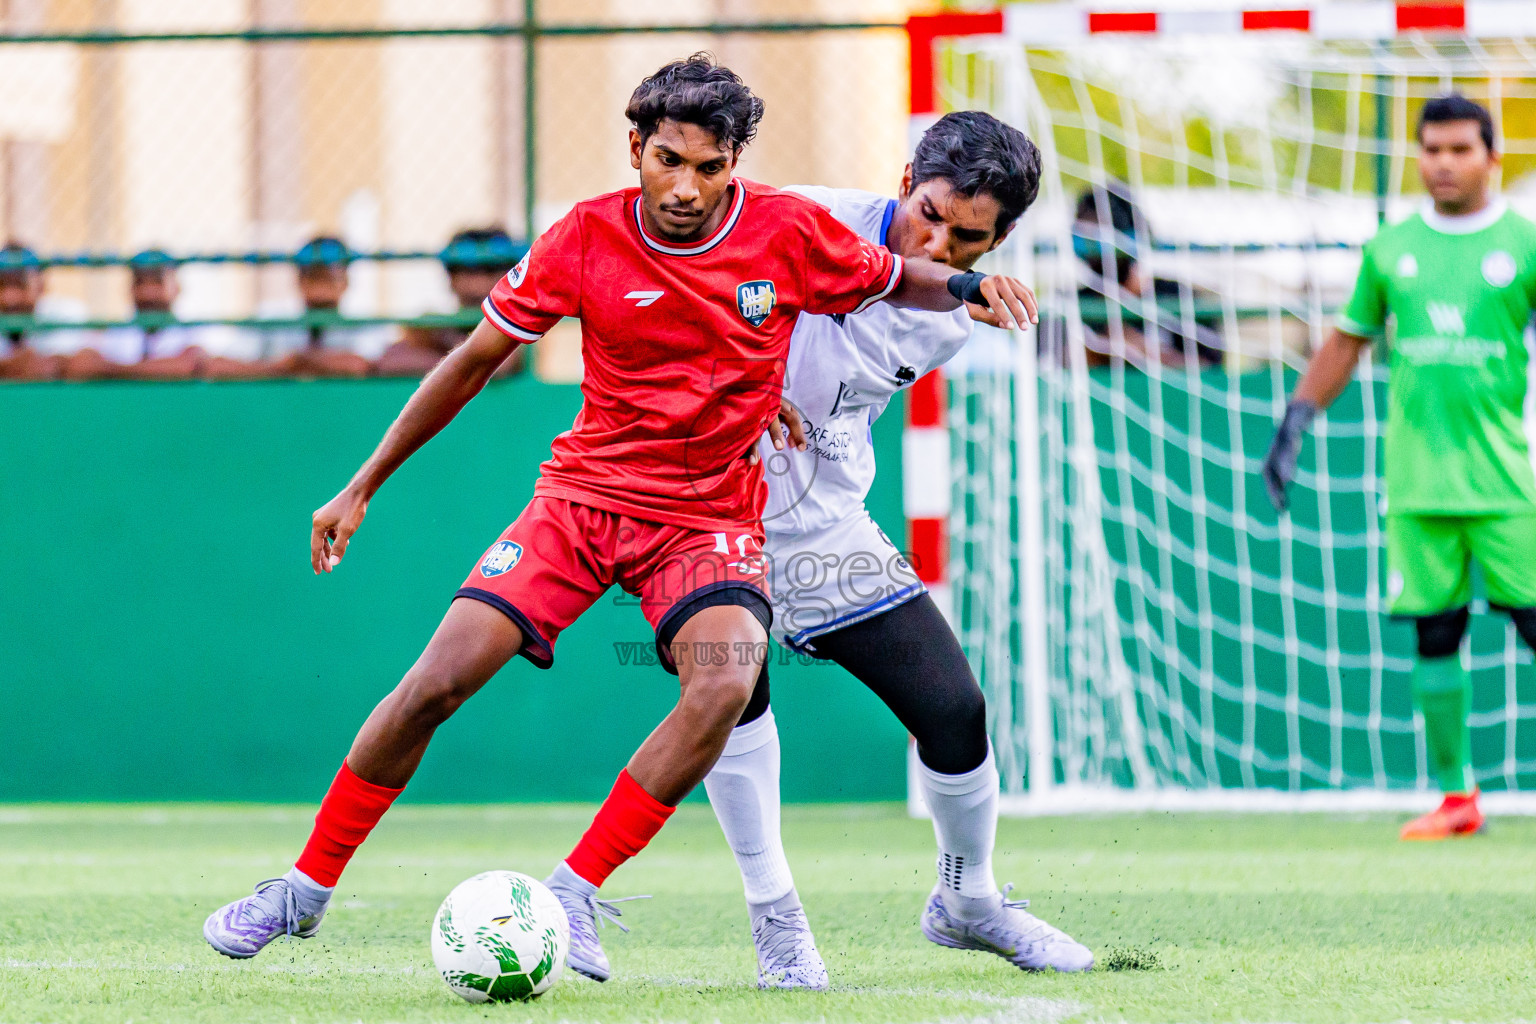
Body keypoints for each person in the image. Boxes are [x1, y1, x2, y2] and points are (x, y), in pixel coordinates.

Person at [200, 54, 1038, 984]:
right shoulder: (585, 236)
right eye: (668, 160)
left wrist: (965, 290)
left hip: (711, 518)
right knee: (436, 682)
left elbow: (894, 279)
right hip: (584, 501)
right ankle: (302, 891)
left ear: (736, 166)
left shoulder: (788, 232)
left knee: (726, 684)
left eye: (710, 168)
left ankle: (574, 892)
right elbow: (472, 362)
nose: (686, 187)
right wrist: (361, 484)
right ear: (635, 147)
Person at [701, 111, 1093, 990]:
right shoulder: (793, 216)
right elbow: (680, 294)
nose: (940, 242)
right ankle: (778, 923)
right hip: (705, 512)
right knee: (732, 699)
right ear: (906, 172)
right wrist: (737, 385)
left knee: (954, 709)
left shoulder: (953, 318)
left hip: (824, 532)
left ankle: (969, 900)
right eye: (929, 212)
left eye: (970, 237)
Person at [1263, 94, 1536, 840]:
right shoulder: (1391, 249)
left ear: (1492, 157)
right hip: (1417, 484)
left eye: (1460, 149)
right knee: (1434, 634)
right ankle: (1458, 799)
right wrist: (1296, 419)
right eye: (1432, 149)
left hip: (1512, 483)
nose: (1443, 163)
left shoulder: (1525, 241)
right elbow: (1347, 342)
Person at [1071, 182, 1222, 367]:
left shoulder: (1179, 299)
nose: (1092, 250)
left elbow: (1212, 371)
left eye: (1096, 234)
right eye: (1084, 236)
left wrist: (1141, 351)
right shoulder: (1071, 304)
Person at [63, 249, 247, 381]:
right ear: (129, 289)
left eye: (157, 283)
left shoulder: (195, 330)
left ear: (177, 288)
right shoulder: (114, 332)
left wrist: (112, 371)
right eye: (140, 283)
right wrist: (156, 370)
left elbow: (190, 365)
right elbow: (82, 365)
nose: (148, 292)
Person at [378, 228, 529, 377]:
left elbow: (501, 366)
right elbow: (389, 362)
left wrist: (443, 338)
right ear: (451, 278)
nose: (477, 285)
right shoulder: (433, 330)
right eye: (468, 270)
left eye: (490, 270)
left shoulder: (520, 328)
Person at [263, 236, 390, 378]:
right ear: (299, 280)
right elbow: (234, 363)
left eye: (330, 278)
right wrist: (277, 367)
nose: (321, 288)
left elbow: (361, 365)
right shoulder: (270, 316)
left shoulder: (365, 321)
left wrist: (296, 362)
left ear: (345, 281)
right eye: (314, 277)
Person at [0, 242, 90, 381]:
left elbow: (57, 366)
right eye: (2, 285)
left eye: (20, 285)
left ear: (41, 285)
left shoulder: (66, 312)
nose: (10, 297)